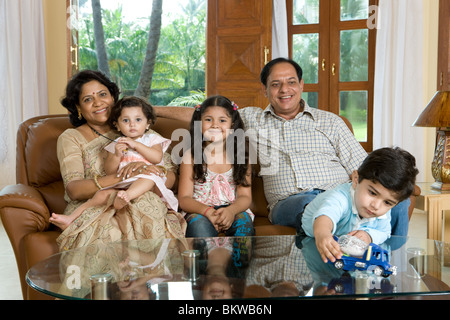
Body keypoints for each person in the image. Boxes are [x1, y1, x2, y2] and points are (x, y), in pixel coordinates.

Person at [155, 57, 411, 237]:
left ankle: (386, 267)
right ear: (266, 90)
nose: (284, 89)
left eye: (291, 82)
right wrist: (150, 109)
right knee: (317, 205)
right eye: (275, 84)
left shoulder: (330, 122)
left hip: (341, 195)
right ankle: (343, 249)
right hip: (291, 202)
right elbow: (204, 116)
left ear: (301, 85)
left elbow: (363, 165)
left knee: (397, 203)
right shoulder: (250, 118)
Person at [53, 70, 186, 251]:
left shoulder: (138, 129)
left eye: (103, 95)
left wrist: (145, 109)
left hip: (144, 200)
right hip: (96, 206)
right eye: (88, 99)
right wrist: (128, 175)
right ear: (78, 107)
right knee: (110, 234)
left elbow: (174, 181)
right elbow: (75, 190)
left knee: (147, 211)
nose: (98, 102)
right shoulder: (71, 137)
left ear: (113, 97)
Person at [50, 96, 178, 230]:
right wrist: (117, 155)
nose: (132, 124)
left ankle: (127, 196)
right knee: (100, 195)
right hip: (123, 182)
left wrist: (135, 144)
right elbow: (110, 171)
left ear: (147, 124)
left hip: (147, 179)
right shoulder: (117, 143)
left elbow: (156, 158)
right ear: (117, 125)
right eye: (125, 120)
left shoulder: (152, 139)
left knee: (149, 177)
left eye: (138, 120)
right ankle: (70, 218)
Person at [300, 147, 419, 264]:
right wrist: (323, 234)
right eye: (372, 193)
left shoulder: (382, 209)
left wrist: (369, 236)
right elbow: (326, 215)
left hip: (341, 244)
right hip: (310, 230)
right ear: (356, 180)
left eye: (387, 202)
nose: (376, 206)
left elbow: (384, 232)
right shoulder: (340, 197)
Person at [178, 95, 255, 237]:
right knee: (199, 226)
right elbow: (184, 199)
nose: (215, 125)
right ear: (199, 123)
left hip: (233, 209)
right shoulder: (191, 156)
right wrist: (208, 212)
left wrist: (231, 211)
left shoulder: (241, 156)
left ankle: (239, 260)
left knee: (244, 225)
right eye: (208, 119)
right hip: (200, 210)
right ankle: (207, 259)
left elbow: (245, 196)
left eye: (222, 120)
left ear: (232, 124)